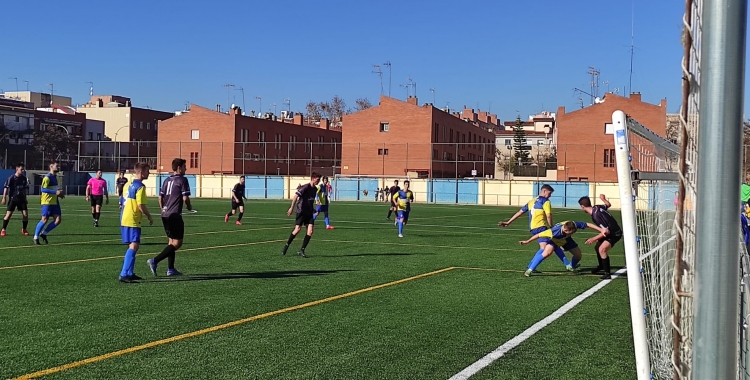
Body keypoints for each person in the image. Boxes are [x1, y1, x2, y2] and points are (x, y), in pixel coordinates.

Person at [498, 184, 571, 268]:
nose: (550, 196)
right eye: (549, 193)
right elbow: (548, 215)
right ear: (544, 191)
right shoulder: (546, 201)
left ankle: (567, 264)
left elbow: (520, 212)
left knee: (553, 244)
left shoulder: (531, 201)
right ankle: (531, 267)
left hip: (533, 228)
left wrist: (508, 222)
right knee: (545, 247)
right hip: (541, 227)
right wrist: (552, 226)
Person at [147, 158, 192, 276]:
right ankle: (154, 261)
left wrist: (163, 209)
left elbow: (160, 198)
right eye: (184, 166)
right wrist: (189, 206)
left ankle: (171, 269)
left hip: (165, 214)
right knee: (177, 243)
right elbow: (185, 198)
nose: (185, 168)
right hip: (174, 215)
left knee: (171, 241)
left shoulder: (167, 180)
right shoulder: (183, 180)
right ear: (179, 168)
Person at [519, 220, 606, 277]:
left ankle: (570, 266)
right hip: (554, 240)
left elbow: (588, 224)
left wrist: (601, 230)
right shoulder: (554, 231)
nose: (572, 232)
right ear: (565, 229)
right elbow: (538, 235)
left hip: (567, 240)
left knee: (578, 255)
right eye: (566, 231)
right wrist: (527, 241)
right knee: (546, 253)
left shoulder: (574, 224)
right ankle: (529, 270)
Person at [118, 163, 154, 283]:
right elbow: (140, 205)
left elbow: (121, 200)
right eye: (148, 171)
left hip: (124, 217)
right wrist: (149, 216)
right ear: (141, 172)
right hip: (133, 219)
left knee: (133, 245)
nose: (149, 173)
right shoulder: (140, 187)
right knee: (134, 245)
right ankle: (123, 273)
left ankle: (130, 273)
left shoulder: (128, 183)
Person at [578, 194, 624, 280]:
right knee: (597, 247)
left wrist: (593, 239)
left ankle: (607, 274)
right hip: (610, 230)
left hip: (614, 233)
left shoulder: (596, 216)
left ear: (582, 206)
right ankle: (601, 266)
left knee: (602, 249)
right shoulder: (596, 207)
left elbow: (606, 232)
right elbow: (608, 205)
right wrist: (603, 199)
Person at [281, 172, 321, 258]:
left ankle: (302, 250)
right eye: (318, 180)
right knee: (297, 230)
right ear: (313, 179)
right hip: (301, 211)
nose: (319, 181)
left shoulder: (315, 189)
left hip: (309, 212)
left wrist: (314, 210)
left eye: (319, 180)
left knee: (310, 231)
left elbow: (310, 201)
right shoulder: (305, 187)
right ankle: (287, 245)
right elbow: (295, 197)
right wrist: (291, 208)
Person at [34, 162, 64, 245]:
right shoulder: (47, 177)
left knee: (58, 220)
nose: (58, 167)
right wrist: (55, 192)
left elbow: (55, 190)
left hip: (55, 202)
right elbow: (43, 189)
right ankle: (36, 237)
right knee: (44, 220)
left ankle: (44, 234)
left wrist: (60, 194)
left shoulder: (56, 177)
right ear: (51, 167)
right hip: (47, 202)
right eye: (56, 166)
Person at [1, 163, 30, 236]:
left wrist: (25, 198)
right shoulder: (11, 178)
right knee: (8, 215)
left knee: (25, 215)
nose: (23, 170)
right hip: (13, 199)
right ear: (17, 169)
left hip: (22, 199)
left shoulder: (23, 178)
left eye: (23, 169)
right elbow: (6, 187)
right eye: (21, 169)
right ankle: (3, 229)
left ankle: (24, 229)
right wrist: (4, 198)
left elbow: (24, 190)